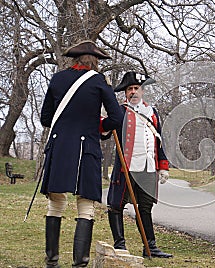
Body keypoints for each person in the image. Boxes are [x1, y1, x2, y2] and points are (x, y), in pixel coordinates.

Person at [40, 40, 123, 267]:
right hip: (86, 149)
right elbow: (117, 118)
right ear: (95, 61)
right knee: (85, 205)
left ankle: (52, 262)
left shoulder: (57, 79)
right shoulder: (99, 82)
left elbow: (45, 118)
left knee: (55, 203)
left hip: (59, 147)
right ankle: (80, 264)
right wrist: (98, 126)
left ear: (74, 59)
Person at [106, 71, 173, 258]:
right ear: (125, 93)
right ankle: (120, 245)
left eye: (136, 88)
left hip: (148, 168)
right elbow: (104, 129)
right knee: (116, 205)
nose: (133, 92)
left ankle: (150, 246)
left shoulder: (152, 113)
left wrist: (163, 166)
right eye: (130, 89)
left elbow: (158, 141)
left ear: (142, 91)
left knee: (145, 207)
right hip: (126, 167)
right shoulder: (119, 111)